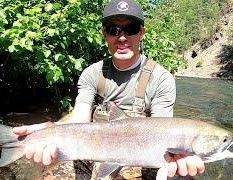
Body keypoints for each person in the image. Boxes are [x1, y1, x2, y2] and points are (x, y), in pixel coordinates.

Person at [13, 0, 205, 178]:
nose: (122, 37)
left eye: (131, 29)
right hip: (94, 146)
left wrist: (184, 152)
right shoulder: (92, 73)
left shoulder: (161, 78)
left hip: (139, 152)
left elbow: (164, 132)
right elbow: (80, 119)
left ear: (142, 33)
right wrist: (49, 130)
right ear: (105, 34)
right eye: (114, 30)